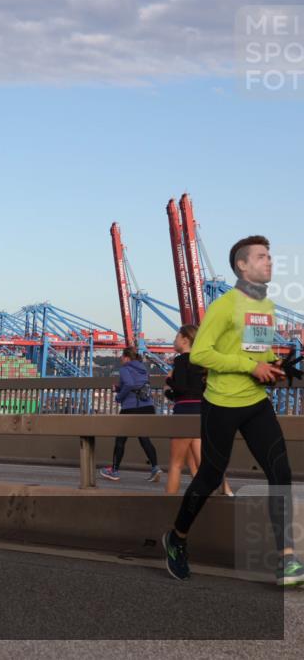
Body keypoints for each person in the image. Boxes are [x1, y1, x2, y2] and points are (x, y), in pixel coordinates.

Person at [163, 235, 303, 587]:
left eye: (270, 256)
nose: (269, 262)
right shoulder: (225, 306)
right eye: (261, 257)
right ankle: (177, 538)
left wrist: (273, 367)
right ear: (242, 265)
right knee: (210, 476)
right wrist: (250, 366)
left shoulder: (267, 307)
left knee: (280, 473)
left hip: (256, 403)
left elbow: (257, 355)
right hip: (222, 403)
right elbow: (200, 355)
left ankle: (287, 559)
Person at [164, 325, 234, 496]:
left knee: (175, 464)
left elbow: (180, 389)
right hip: (202, 411)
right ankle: (226, 491)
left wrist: (168, 384)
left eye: (176, 337)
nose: (174, 341)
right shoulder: (204, 361)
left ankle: (167, 506)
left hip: (184, 413)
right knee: (204, 463)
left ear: (185, 340)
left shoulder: (181, 360)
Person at [99, 348, 162, 482]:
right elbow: (137, 385)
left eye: (122, 356)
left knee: (120, 439)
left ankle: (114, 470)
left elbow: (129, 384)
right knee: (144, 438)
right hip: (147, 407)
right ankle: (155, 468)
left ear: (127, 357)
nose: (121, 358)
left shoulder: (125, 369)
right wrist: (119, 388)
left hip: (132, 408)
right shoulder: (144, 369)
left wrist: (119, 397)